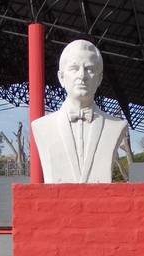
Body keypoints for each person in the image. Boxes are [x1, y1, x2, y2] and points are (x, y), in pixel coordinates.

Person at [31, 40, 127, 183]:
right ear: (61, 77)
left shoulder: (116, 126)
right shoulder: (41, 126)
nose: (82, 76)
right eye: (74, 68)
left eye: (89, 69)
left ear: (99, 79)